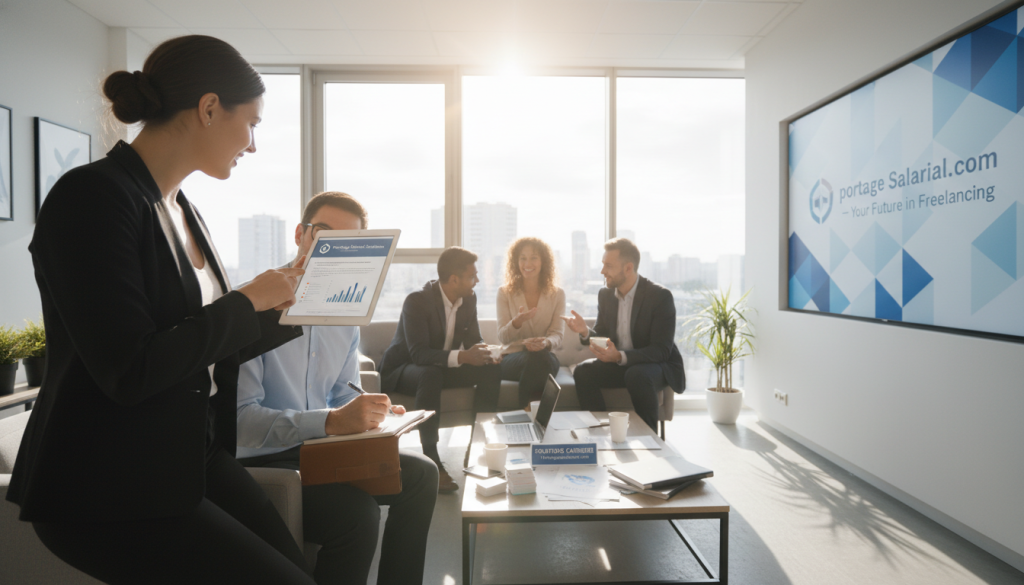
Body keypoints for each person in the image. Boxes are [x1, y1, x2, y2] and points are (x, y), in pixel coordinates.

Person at [6, 36, 319, 584]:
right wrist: (247, 300)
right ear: (208, 108)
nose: (252, 144)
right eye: (252, 123)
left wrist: (296, 300)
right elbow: (131, 368)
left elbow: (203, 342)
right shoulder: (92, 198)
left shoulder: (181, 207)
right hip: (108, 482)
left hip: (185, 456)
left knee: (296, 571)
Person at [235, 191, 438, 585]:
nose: (333, 253)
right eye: (324, 236)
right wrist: (329, 422)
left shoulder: (345, 311)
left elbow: (344, 394)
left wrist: (371, 411)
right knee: (358, 515)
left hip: (319, 450)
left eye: (347, 245)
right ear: (301, 234)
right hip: (267, 459)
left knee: (422, 476)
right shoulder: (253, 304)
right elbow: (240, 421)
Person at [378, 247, 501, 493]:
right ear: (454, 279)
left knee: (491, 370)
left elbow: (474, 337)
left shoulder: (469, 299)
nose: (477, 281)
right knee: (430, 373)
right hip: (405, 370)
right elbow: (419, 354)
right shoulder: (417, 301)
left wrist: (485, 353)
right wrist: (465, 356)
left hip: (442, 367)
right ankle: (432, 456)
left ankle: (476, 447)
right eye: (472, 276)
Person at [562, 238, 685, 432]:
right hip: (621, 365)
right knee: (583, 371)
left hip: (655, 365)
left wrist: (620, 356)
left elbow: (661, 350)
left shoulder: (660, 296)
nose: (603, 271)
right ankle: (600, 429)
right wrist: (585, 331)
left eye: (608, 266)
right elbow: (602, 334)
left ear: (628, 268)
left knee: (636, 374)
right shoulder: (605, 295)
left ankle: (649, 436)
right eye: (603, 265)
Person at [496, 237, 565, 408]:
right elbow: (503, 338)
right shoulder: (504, 293)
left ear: (543, 262)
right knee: (538, 360)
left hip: (545, 356)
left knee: (539, 357)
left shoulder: (557, 294)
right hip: (513, 358)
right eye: (523, 258)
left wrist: (545, 342)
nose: (528, 263)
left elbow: (557, 333)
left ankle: (526, 412)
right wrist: (516, 323)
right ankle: (535, 415)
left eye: (534, 257)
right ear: (516, 261)